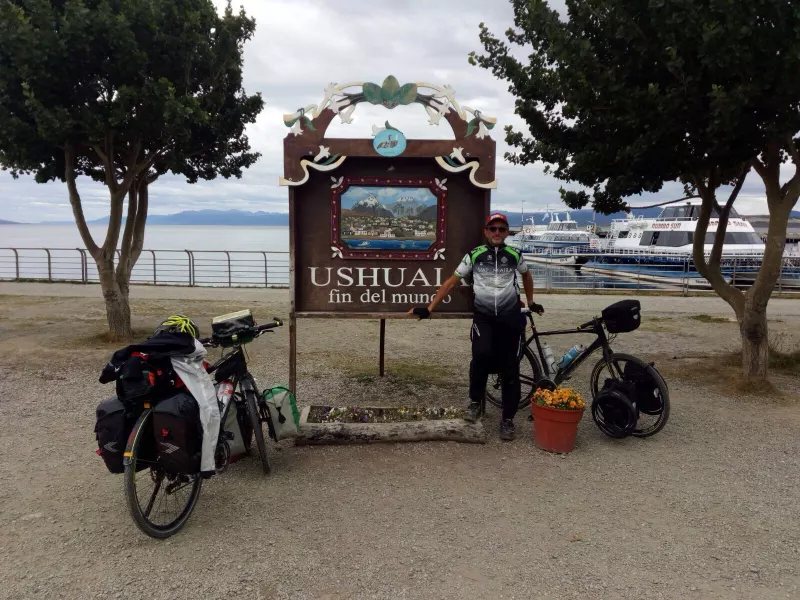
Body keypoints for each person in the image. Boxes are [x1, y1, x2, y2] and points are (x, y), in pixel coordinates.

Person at [409, 213, 543, 440]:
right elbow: (451, 281)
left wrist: (530, 302)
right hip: (484, 318)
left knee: (510, 368)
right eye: (493, 228)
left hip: (510, 318)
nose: (497, 233)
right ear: (486, 231)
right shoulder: (475, 255)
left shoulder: (515, 254)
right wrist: (429, 308)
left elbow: (527, 276)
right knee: (480, 356)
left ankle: (508, 420)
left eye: (501, 229)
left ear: (507, 232)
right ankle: (475, 403)